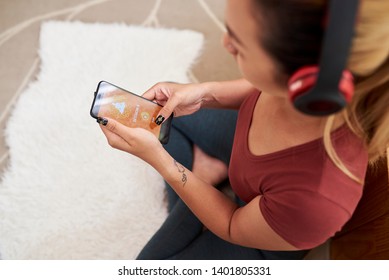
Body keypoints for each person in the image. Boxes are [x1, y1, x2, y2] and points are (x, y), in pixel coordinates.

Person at [97, 0, 389, 259]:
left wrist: (165, 166)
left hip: (254, 235)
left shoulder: (314, 201)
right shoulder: (296, 88)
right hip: (245, 159)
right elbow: (259, 87)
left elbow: (232, 224)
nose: (225, 43)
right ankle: (207, 174)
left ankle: (204, 180)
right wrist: (204, 92)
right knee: (165, 111)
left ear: (304, 83)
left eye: (239, 44)